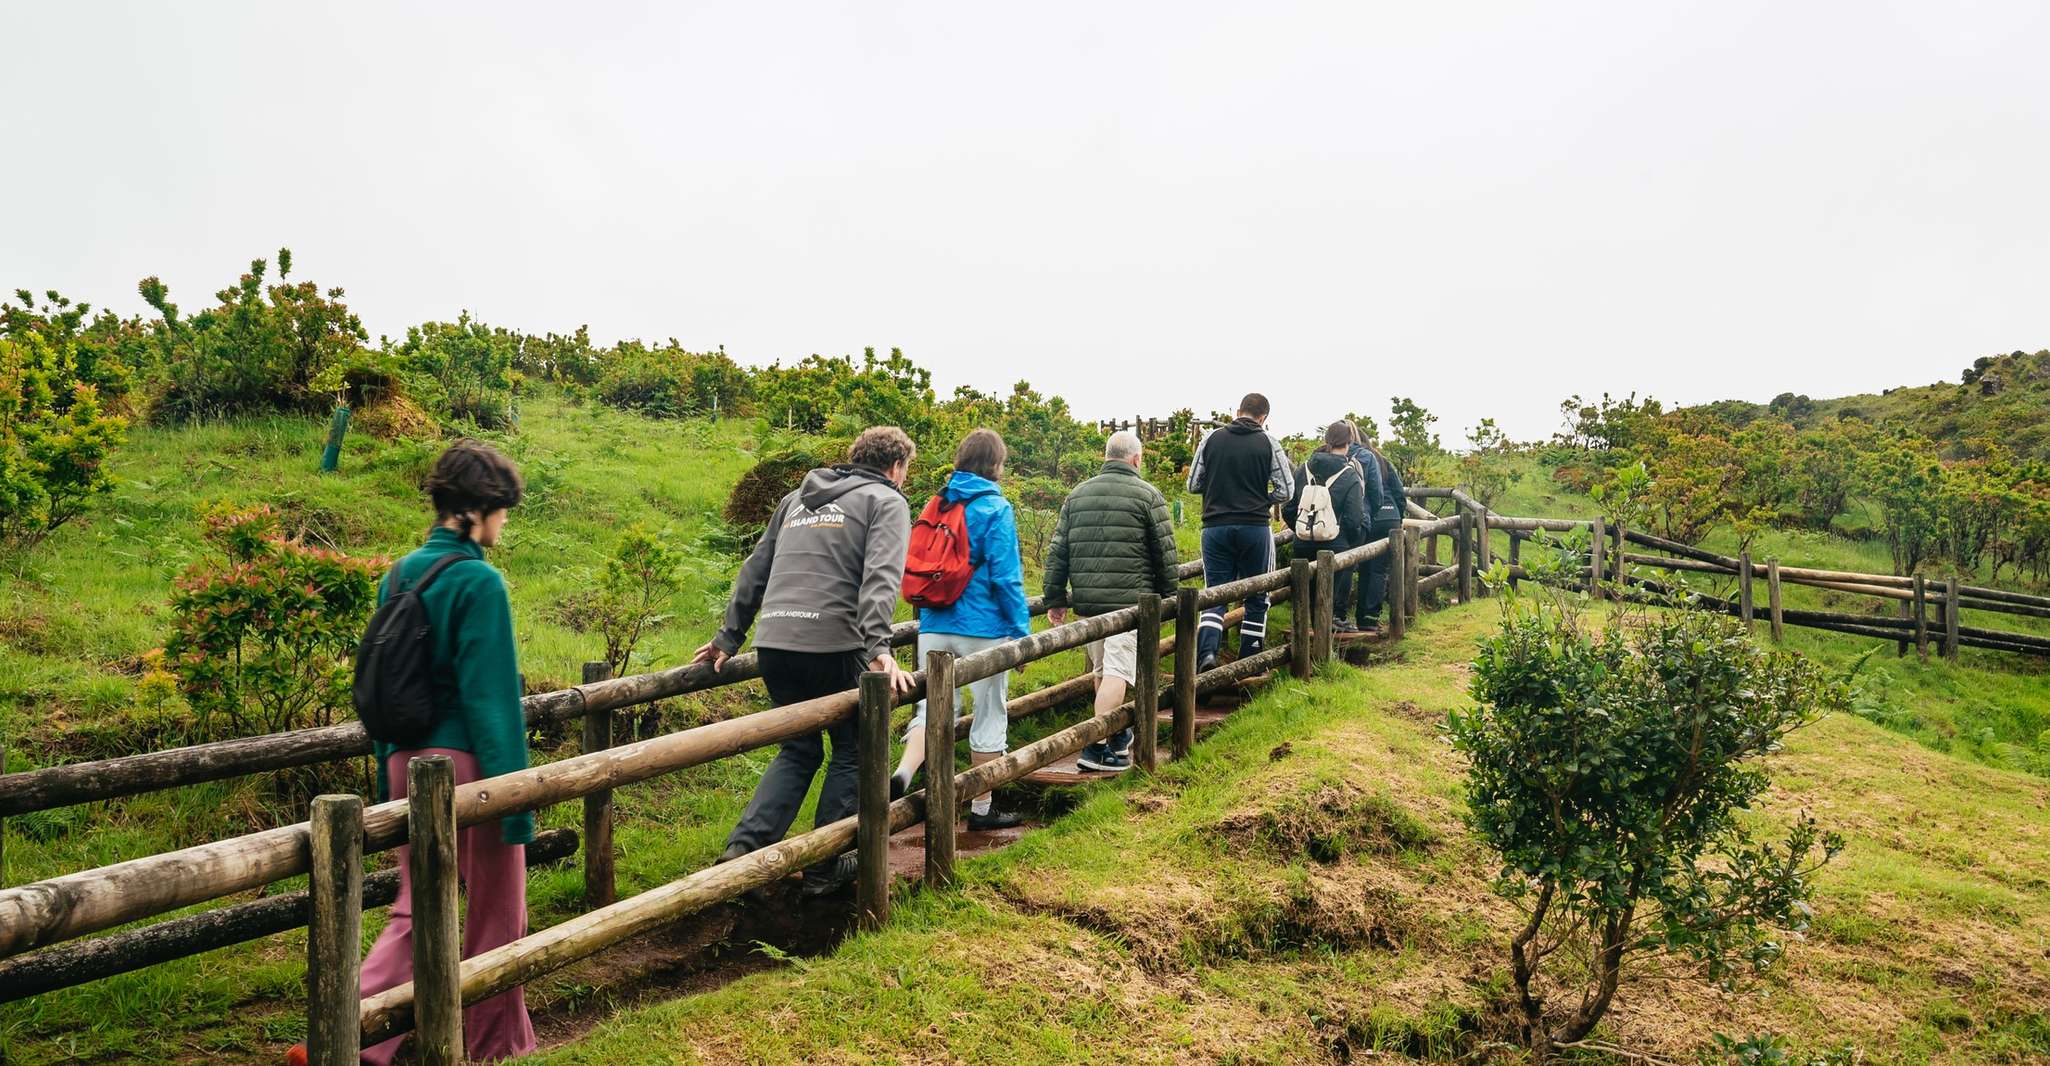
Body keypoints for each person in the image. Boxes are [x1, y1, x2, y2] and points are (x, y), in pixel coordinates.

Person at [352, 440, 536, 1066]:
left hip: (406, 763)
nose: (505, 522)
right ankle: (493, 1044)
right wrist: (519, 803)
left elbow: (381, 685)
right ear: (476, 509)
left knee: (416, 904)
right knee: (497, 909)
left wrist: (386, 774)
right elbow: (492, 705)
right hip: (470, 771)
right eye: (503, 510)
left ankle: (353, 1038)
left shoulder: (399, 574)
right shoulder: (479, 583)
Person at [693, 426, 919, 896]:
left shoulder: (795, 498)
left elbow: (756, 566)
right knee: (854, 748)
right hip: (834, 645)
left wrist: (728, 639)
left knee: (799, 749)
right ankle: (824, 866)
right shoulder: (887, 501)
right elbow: (880, 577)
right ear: (896, 467)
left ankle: (743, 858)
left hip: (775, 642)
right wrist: (878, 648)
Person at [891, 429, 1031, 830]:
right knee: (988, 713)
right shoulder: (994, 508)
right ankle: (982, 809)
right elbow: (1007, 578)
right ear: (996, 465)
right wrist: (1021, 634)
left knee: (932, 707)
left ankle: (904, 772)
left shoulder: (937, 501)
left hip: (933, 623)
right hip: (982, 628)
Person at [1044, 431, 1180, 772]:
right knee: (1118, 673)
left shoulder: (1077, 495)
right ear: (1136, 459)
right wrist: (1171, 595)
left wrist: (1055, 597)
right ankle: (1094, 746)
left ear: (1107, 456)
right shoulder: (1148, 495)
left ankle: (1115, 741)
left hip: (1089, 603)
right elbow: (1164, 552)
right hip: (1129, 604)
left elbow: (1058, 551)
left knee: (1103, 671)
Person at [1186, 393, 1293, 671]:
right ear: (1264, 417)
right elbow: (1287, 489)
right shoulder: (1268, 442)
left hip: (1215, 526)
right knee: (1258, 593)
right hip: (1255, 526)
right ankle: (1250, 656)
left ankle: (1206, 655)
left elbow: (1193, 484)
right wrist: (1263, 497)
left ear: (1238, 411)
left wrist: (1220, 489)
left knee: (1215, 594)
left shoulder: (1210, 439)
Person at [1282, 420, 1370, 634]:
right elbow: (1354, 517)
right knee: (1327, 596)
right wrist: (1347, 539)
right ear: (1348, 443)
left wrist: (1302, 531)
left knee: (1306, 594)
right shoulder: (1349, 474)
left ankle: (1303, 636)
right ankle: (1324, 650)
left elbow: (1288, 508)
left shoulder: (1303, 470)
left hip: (1302, 543)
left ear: (1326, 441)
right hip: (1334, 544)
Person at [1350, 431, 1407, 634]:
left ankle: (1359, 616)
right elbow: (1399, 493)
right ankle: (1369, 618)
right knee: (1378, 570)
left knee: (1363, 565)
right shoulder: (1382, 459)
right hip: (1389, 517)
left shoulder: (1354, 459)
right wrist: (1398, 517)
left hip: (1369, 516)